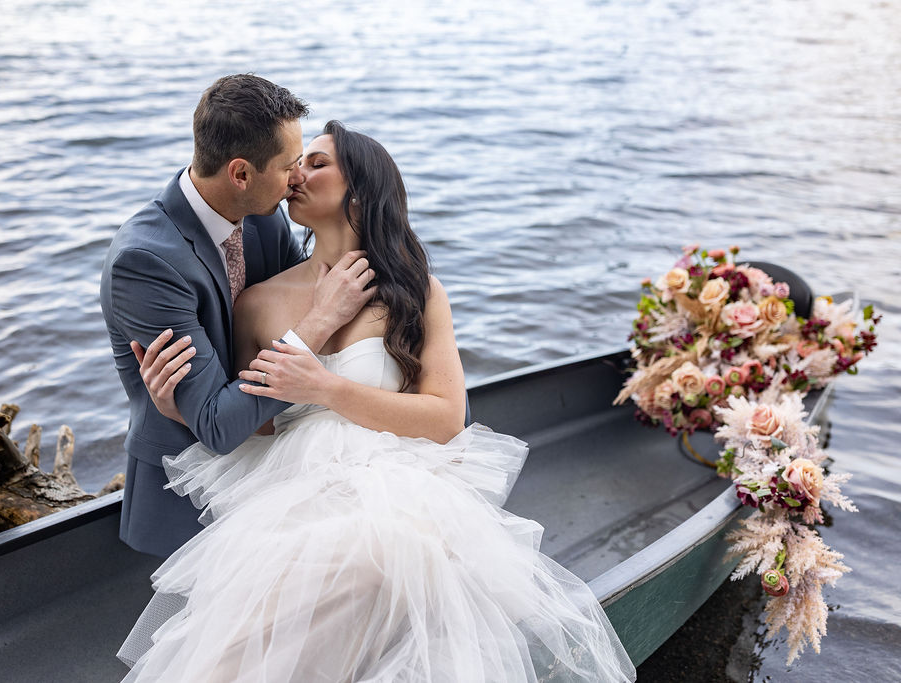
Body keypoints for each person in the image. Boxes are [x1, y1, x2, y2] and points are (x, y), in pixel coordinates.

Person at [117, 122, 636, 681]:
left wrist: (325, 389)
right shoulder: (259, 303)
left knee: (390, 545)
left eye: (317, 163)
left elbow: (443, 418)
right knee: (294, 587)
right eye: (297, 163)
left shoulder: (418, 292)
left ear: (360, 190)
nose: (296, 174)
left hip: (399, 475)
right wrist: (183, 410)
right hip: (289, 484)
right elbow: (257, 428)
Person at [99, 75, 375, 557]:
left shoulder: (263, 217)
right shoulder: (145, 262)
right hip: (191, 486)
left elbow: (302, 310)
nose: (297, 178)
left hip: (276, 457)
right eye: (290, 164)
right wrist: (318, 321)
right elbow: (218, 426)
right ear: (241, 173)